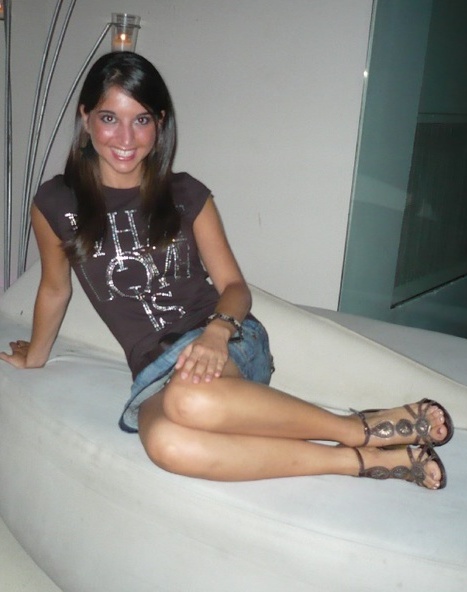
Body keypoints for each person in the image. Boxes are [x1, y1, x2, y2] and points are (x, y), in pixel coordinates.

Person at [0, 52, 454, 489]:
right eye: (109, 118)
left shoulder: (185, 194)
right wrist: (36, 355)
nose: (125, 137)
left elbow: (235, 286)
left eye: (141, 120)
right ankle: (361, 461)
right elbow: (55, 288)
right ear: (85, 118)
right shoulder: (56, 203)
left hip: (228, 340)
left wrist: (217, 333)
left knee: (188, 397)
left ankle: (358, 428)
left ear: (160, 124)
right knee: (165, 444)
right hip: (157, 371)